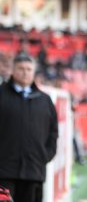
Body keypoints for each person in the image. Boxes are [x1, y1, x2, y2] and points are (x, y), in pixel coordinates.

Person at [0, 53, 58, 202]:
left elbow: (53, 131)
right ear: (12, 70)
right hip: (4, 171)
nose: (25, 72)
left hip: (34, 170)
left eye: (28, 69)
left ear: (33, 72)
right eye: (20, 68)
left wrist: (46, 155)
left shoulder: (44, 100)